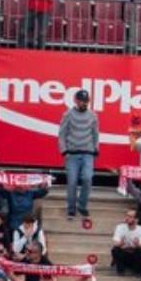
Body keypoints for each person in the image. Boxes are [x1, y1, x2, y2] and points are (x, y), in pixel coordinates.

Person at [58, 89, 99, 220]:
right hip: (72, 154)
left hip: (88, 153)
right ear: (76, 101)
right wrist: (63, 150)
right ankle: (71, 209)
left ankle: (82, 206)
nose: (84, 103)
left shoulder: (93, 116)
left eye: (86, 101)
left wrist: (96, 148)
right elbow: (62, 134)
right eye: (81, 101)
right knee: (72, 182)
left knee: (87, 178)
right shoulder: (68, 114)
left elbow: (95, 134)